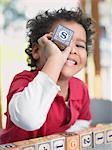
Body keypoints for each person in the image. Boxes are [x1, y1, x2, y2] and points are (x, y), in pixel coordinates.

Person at [0, 7, 95, 144]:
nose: (71, 49)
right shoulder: (23, 82)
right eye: (61, 42)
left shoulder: (80, 88)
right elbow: (29, 119)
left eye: (80, 45)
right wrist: (55, 59)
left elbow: (83, 121)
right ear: (37, 50)